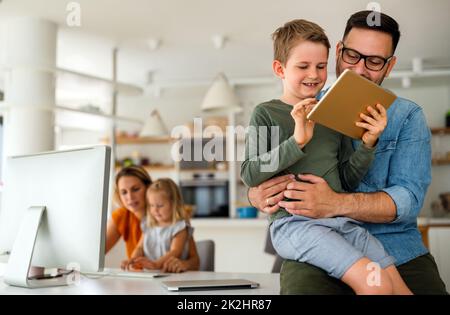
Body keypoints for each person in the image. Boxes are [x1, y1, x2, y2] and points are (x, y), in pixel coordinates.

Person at [248, 11, 448, 295]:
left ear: (389, 66)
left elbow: (408, 201)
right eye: (352, 56)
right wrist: (255, 193)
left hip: (395, 245)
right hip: (316, 239)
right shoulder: (305, 107)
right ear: (339, 52)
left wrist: (335, 203)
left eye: (375, 61)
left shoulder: (408, 116)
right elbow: (255, 169)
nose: (360, 70)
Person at [105, 166, 199, 272]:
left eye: (135, 189)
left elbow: (193, 260)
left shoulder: (176, 220)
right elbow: (99, 251)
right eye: (124, 192)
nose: (130, 197)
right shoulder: (133, 219)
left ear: (148, 188)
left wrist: (181, 264)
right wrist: (131, 261)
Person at [122, 178, 194, 271]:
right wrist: (132, 261)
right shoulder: (148, 225)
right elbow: (140, 247)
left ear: (174, 204)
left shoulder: (180, 227)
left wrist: (156, 264)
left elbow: (175, 251)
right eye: (151, 205)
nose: (155, 210)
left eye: (160, 205)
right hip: (152, 274)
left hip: (173, 275)